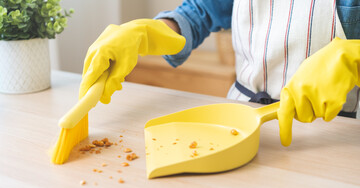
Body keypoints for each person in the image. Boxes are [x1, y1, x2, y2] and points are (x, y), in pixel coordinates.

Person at [79, 0, 360, 146]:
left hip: (331, 133)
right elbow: (200, 11)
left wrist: (353, 58)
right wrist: (150, 33)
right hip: (238, 120)